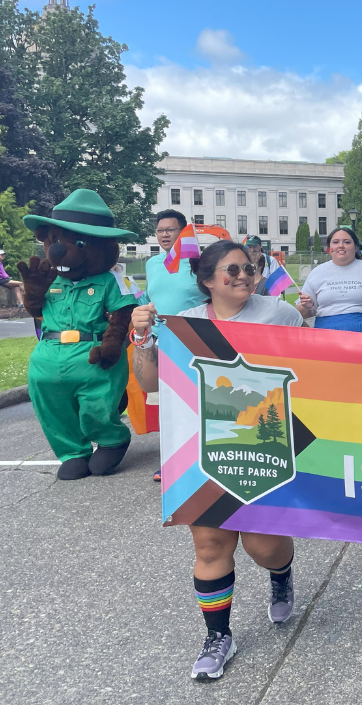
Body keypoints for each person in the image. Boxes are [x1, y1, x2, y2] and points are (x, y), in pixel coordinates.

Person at [131, 240, 304, 680]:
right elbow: (150, 380)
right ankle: (217, 636)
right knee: (210, 545)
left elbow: (311, 371)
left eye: (249, 268)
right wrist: (141, 337)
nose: (244, 276)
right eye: (232, 270)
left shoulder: (279, 314)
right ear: (207, 281)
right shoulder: (183, 324)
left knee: (263, 546)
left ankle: (281, 574)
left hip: (265, 446)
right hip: (201, 448)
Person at [142, 210, 205, 482]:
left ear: (183, 233)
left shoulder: (199, 263)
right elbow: (148, 296)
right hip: (161, 341)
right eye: (160, 230)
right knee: (167, 405)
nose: (165, 235)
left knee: (197, 403)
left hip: (195, 340)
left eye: (171, 230)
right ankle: (171, 462)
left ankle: (202, 460)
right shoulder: (152, 264)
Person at [295, 226, 362, 333]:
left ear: (356, 247)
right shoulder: (316, 273)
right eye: (335, 242)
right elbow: (302, 314)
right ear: (329, 247)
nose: (341, 246)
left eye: (347, 242)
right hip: (328, 332)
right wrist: (308, 307)